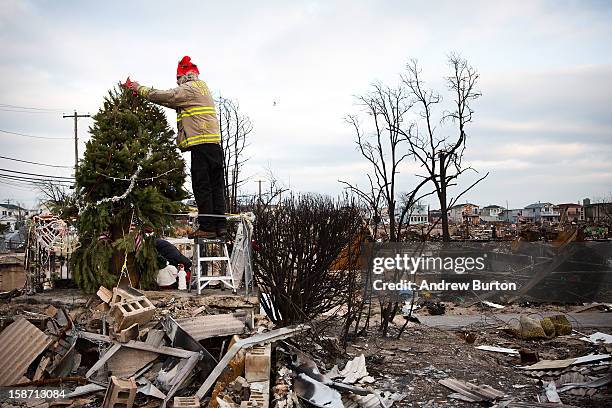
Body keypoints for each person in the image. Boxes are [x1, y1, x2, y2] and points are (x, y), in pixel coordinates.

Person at [126, 56, 227, 239]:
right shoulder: (202, 87)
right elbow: (174, 102)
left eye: (177, 80)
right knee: (216, 185)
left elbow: (167, 96)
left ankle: (207, 227)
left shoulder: (188, 89)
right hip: (214, 145)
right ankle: (220, 225)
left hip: (201, 144)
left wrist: (138, 89)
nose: (177, 84)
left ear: (183, 77)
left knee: (202, 185)